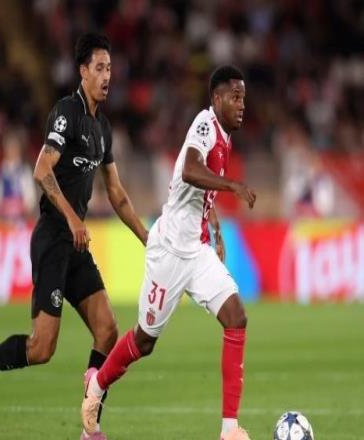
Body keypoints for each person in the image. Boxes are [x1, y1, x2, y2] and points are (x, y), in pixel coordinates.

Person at [0, 33, 147, 440]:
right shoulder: (67, 113)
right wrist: (73, 218)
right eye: (99, 68)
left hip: (76, 242)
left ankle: (90, 426)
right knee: (42, 349)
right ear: (82, 71)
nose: (107, 76)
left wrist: (147, 237)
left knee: (108, 330)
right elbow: (41, 170)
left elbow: (116, 193)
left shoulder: (103, 128)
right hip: (53, 238)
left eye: (110, 68)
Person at [81, 66, 256, 440]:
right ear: (217, 99)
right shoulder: (206, 125)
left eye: (244, 97)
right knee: (144, 340)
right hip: (170, 252)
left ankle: (229, 430)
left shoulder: (224, 136)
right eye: (235, 97)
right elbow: (191, 170)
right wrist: (233, 185)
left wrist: (215, 226)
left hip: (196, 250)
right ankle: (96, 386)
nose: (242, 105)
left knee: (236, 317)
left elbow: (200, 191)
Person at [0, 131, 37, 224]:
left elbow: (30, 195)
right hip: (3, 218)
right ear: (4, 150)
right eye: (9, 148)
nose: (11, 150)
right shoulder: (0, 171)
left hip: (21, 217)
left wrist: (26, 208)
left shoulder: (24, 170)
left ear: (19, 150)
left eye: (14, 147)